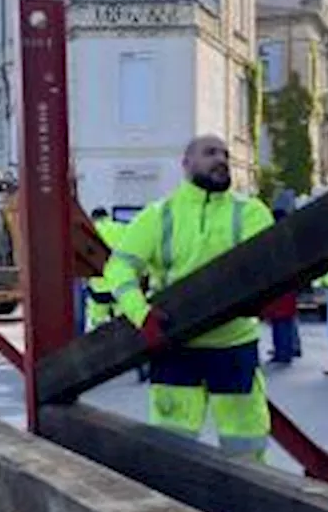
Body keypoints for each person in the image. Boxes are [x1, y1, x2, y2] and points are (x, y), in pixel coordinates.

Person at [102, 134, 274, 461]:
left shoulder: (251, 213)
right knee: (172, 445)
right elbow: (119, 267)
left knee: (246, 443)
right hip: (176, 345)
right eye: (210, 153)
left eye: (225, 154)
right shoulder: (159, 215)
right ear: (186, 164)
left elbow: (269, 268)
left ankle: (244, 509)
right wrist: (141, 314)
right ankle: (175, 508)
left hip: (233, 347)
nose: (221, 159)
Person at [262, 208, 299, 366]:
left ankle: (282, 353)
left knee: (280, 320)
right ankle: (286, 349)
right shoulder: (291, 236)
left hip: (278, 284)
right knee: (285, 319)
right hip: (288, 284)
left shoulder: (274, 238)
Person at [86, 207, 126, 331]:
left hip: (99, 289)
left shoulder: (89, 232)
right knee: (124, 324)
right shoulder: (122, 229)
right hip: (121, 286)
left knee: (97, 327)